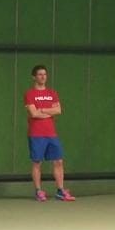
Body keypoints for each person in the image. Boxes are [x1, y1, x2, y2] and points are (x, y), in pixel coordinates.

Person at [23, 64, 74, 202]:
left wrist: (43, 110)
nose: (43, 77)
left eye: (45, 74)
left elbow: (58, 110)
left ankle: (60, 191)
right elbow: (33, 113)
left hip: (51, 134)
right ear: (34, 77)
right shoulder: (29, 93)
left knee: (58, 161)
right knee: (37, 162)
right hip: (36, 134)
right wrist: (48, 111)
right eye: (40, 74)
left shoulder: (52, 93)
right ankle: (38, 191)